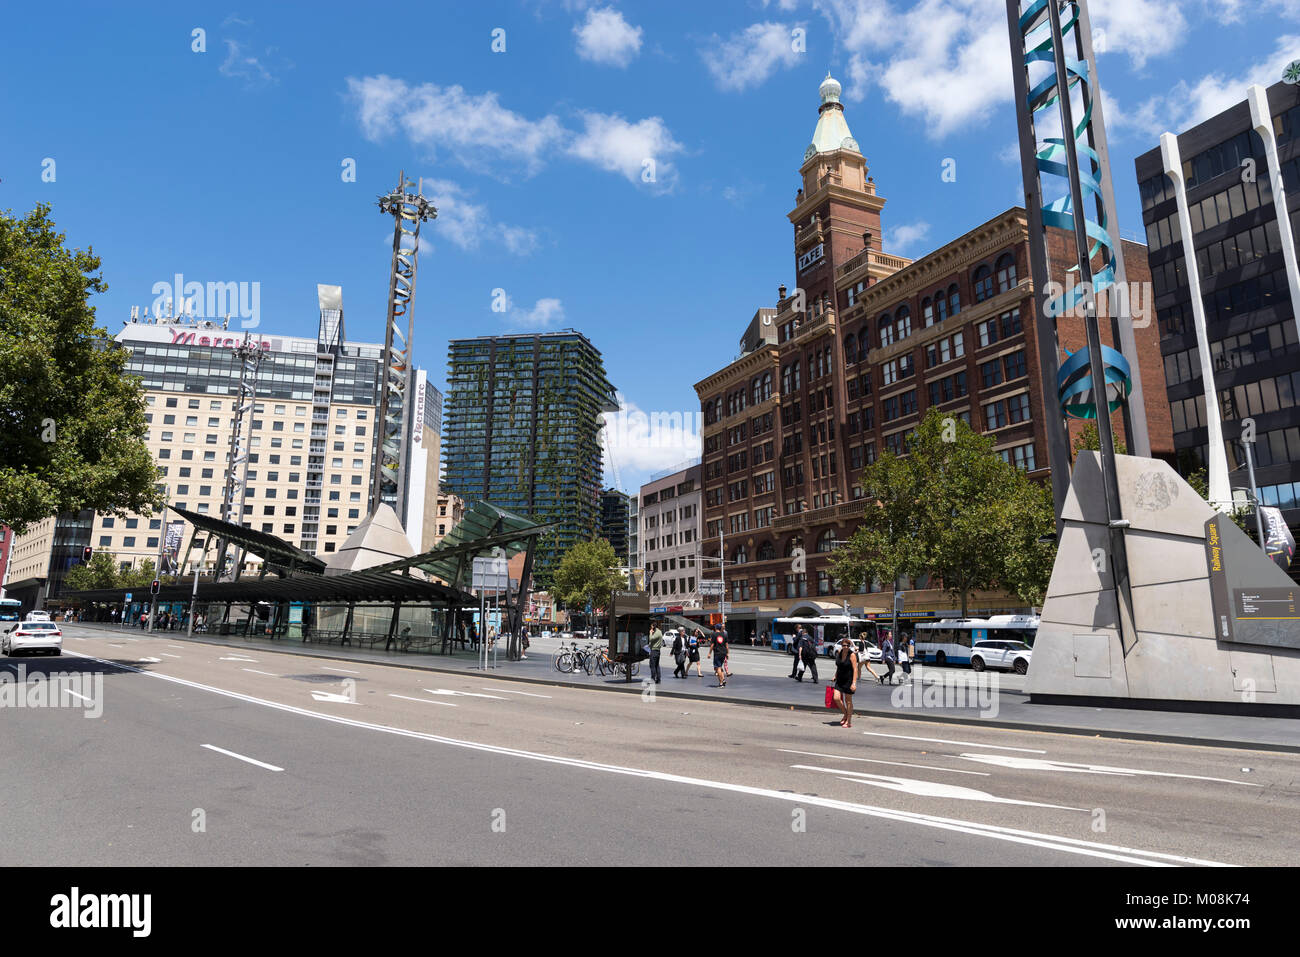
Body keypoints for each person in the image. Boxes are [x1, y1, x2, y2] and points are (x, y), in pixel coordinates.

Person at [832, 637, 860, 728]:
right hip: (839, 679)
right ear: (842, 646)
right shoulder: (840, 653)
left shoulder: (852, 655)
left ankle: (848, 720)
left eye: (848, 645)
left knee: (848, 701)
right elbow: (839, 666)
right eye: (844, 645)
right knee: (836, 698)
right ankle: (845, 714)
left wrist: (854, 683)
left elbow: (855, 669)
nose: (846, 647)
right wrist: (835, 675)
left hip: (849, 680)